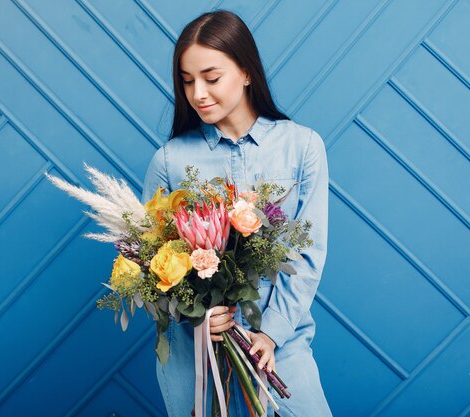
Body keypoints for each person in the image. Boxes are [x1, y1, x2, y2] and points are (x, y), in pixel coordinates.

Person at [140, 9, 332, 417]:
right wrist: (195, 317)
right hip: (193, 355)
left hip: (281, 346)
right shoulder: (170, 160)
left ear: (246, 72)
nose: (198, 94)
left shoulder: (303, 147)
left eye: (211, 78)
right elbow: (149, 266)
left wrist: (272, 334)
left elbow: (309, 254)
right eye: (187, 81)